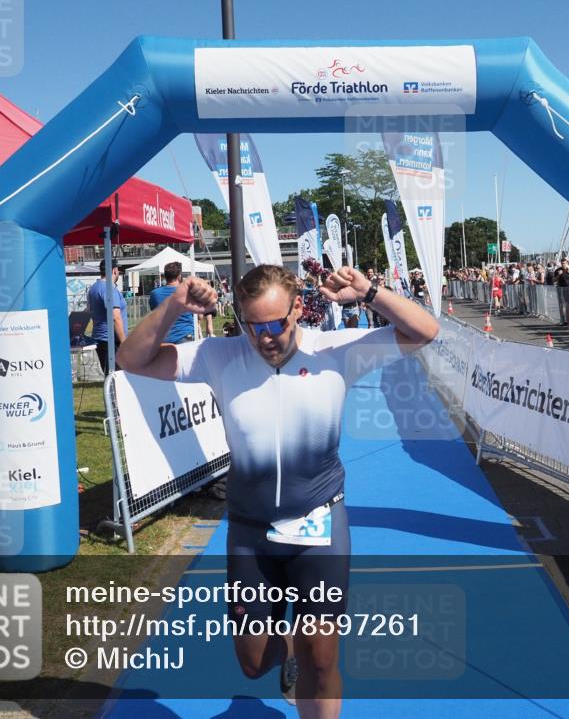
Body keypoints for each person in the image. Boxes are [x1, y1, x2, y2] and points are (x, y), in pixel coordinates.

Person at [116, 264, 438, 719]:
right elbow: (131, 360)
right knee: (253, 663)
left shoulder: (335, 350)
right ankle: (286, 647)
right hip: (251, 532)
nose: (266, 337)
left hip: (319, 525)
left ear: (299, 310)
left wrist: (370, 293)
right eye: (254, 327)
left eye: (276, 324)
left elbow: (426, 330)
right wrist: (174, 306)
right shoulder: (218, 355)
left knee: (321, 659)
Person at [87, 258, 127, 374]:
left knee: (110, 376)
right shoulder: (109, 289)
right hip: (112, 340)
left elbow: (88, 310)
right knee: (117, 378)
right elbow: (115, 317)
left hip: (100, 338)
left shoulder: (94, 288)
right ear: (114, 271)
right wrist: (124, 342)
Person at [149, 262, 200, 343]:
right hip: (185, 337)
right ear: (179, 276)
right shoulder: (189, 293)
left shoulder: (155, 294)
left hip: (163, 340)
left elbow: (153, 312)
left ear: (165, 276)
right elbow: (199, 316)